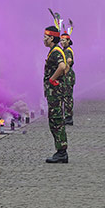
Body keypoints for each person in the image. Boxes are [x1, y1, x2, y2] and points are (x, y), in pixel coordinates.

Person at [43, 25, 69, 163]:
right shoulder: (54, 50)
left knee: (56, 121)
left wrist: (52, 79)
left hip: (56, 93)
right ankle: (60, 151)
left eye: (45, 37)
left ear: (51, 38)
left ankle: (62, 152)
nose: (43, 39)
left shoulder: (56, 51)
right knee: (54, 121)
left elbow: (63, 66)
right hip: (54, 93)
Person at [60, 30, 75, 126]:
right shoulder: (65, 50)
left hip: (68, 77)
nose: (62, 42)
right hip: (66, 76)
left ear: (68, 41)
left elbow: (69, 60)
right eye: (61, 40)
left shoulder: (68, 51)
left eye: (64, 40)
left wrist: (64, 67)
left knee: (67, 98)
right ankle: (67, 116)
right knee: (66, 97)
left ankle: (68, 117)